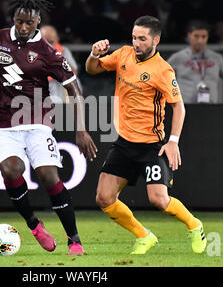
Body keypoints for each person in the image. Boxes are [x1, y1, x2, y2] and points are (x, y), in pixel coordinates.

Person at [0, 0, 97, 255]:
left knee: (49, 176)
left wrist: (81, 130)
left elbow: (75, 91)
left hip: (37, 120)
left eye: (29, 22)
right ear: (13, 18)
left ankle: (74, 240)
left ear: (38, 21)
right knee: (11, 170)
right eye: (19, 21)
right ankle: (35, 225)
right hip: (1, 123)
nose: (24, 27)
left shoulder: (49, 53)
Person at [86, 15, 207, 255]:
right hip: (123, 144)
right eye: (134, 37)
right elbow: (92, 70)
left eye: (142, 39)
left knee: (159, 200)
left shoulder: (163, 70)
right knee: (104, 198)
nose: (137, 43)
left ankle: (195, 225)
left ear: (156, 40)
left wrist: (173, 142)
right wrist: (93, 54)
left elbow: (179, 107)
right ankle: (144, 236)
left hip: (152, 146)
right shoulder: (123, 55)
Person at [167, 20, 223, 104]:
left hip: (210, 109)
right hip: (185, 108)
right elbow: (160, 80)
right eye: (196, 36)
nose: (200, 40)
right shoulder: (178, 57)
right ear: (189, 36)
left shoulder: (216, 58)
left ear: (207, 37)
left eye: (203, 37)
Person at [40, 24, 79, 103]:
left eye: (50, 42)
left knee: (73, 82)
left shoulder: (64, 51)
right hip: (40, 88)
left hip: (59, 89)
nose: (48, 45)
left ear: (57, 39)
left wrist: (58, 58)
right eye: (44, 41)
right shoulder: (31, 51)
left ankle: (68, 111)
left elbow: (74, 73)